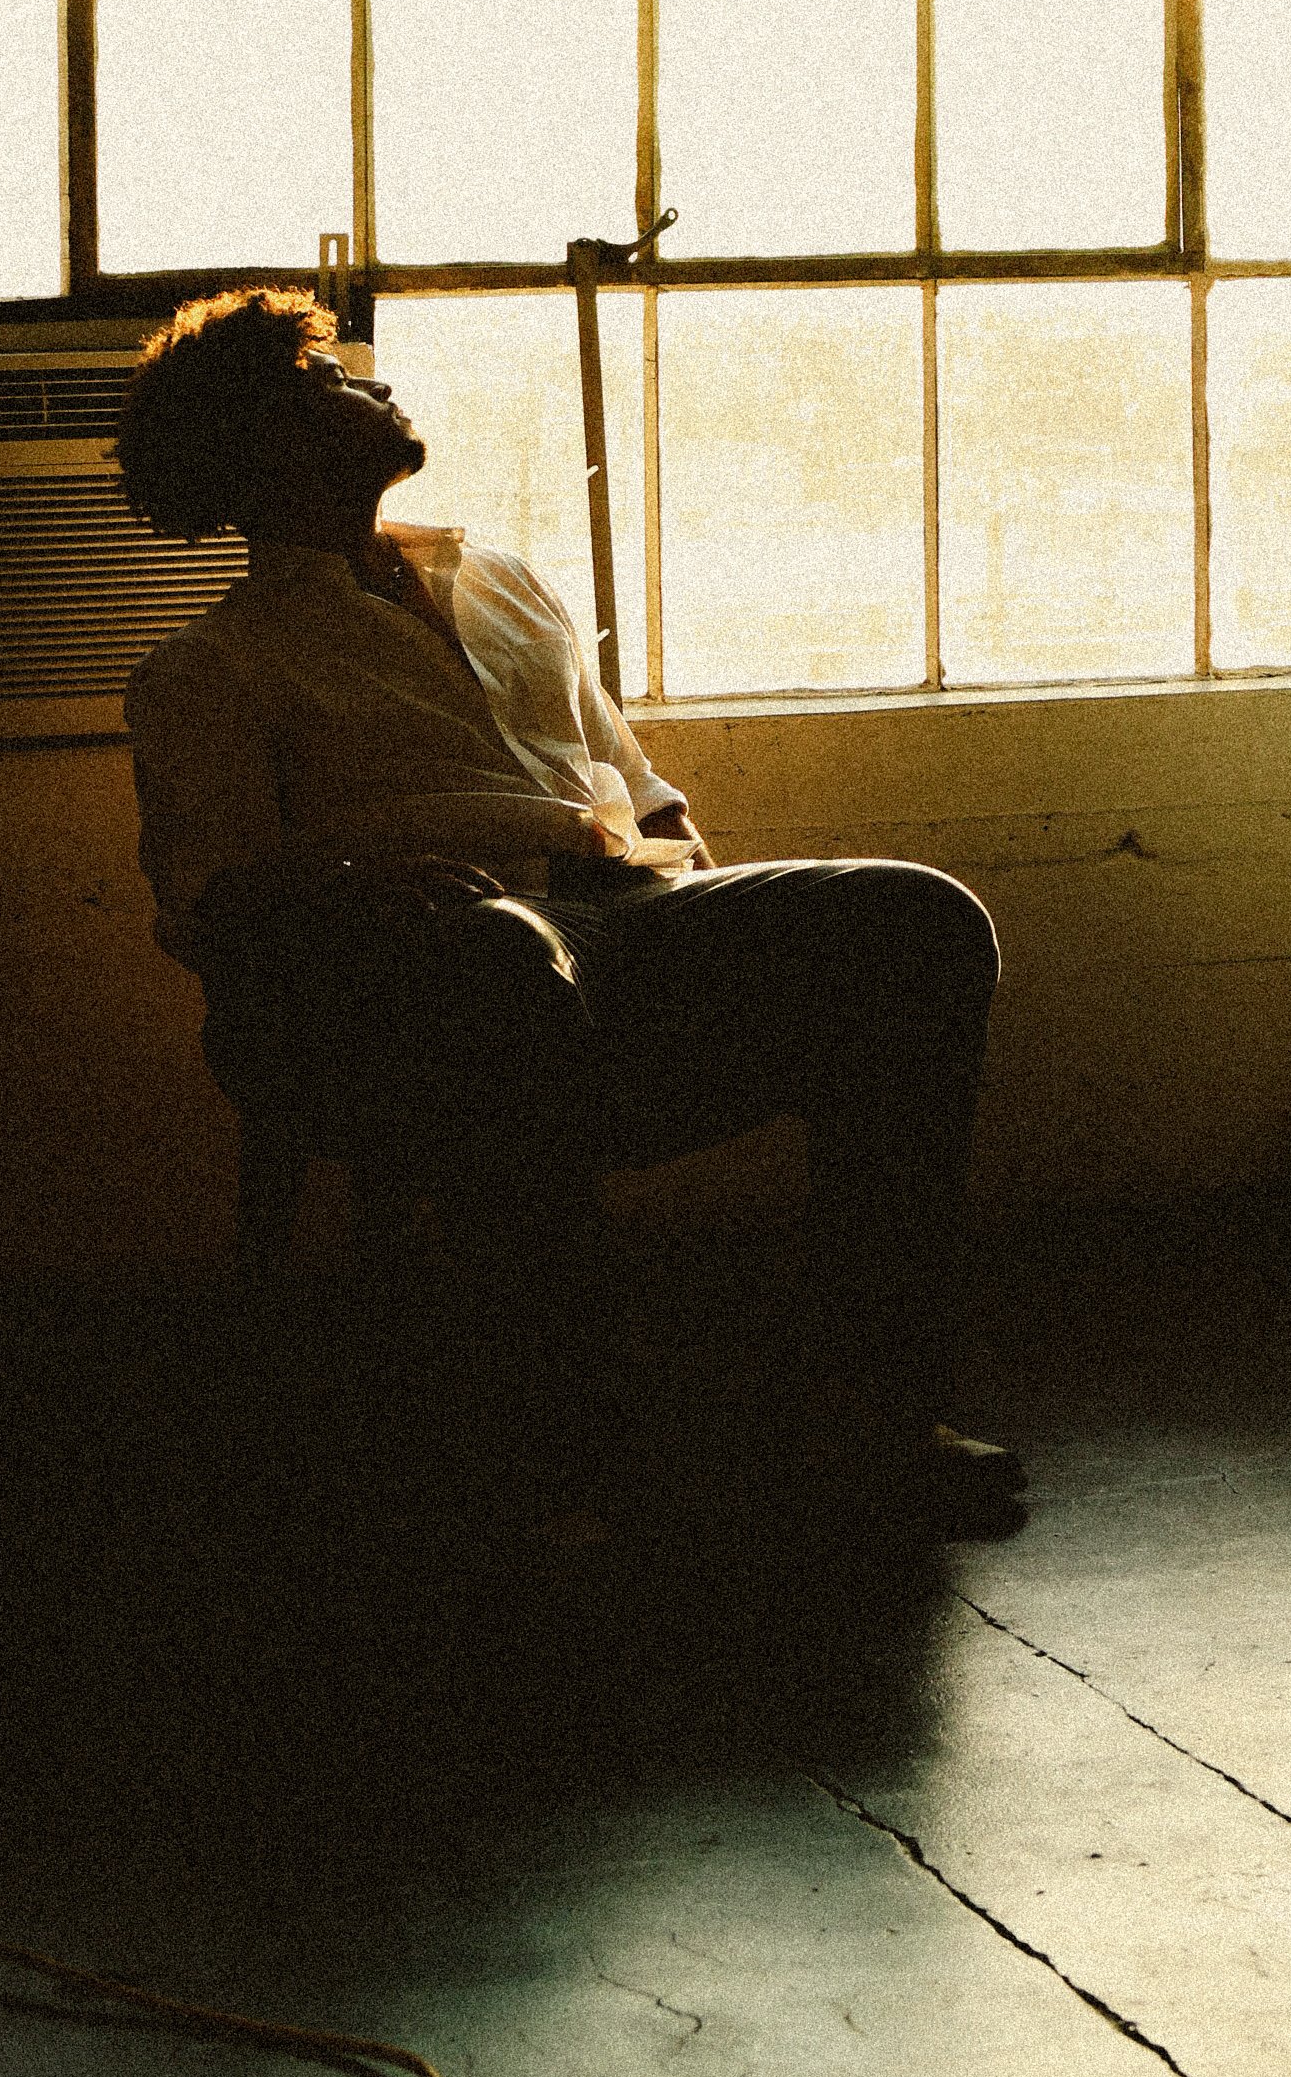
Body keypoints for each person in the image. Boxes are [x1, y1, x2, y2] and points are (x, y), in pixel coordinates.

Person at [118, 286, 1019, 1537]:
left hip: (621, 917)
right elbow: (205, 897)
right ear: (267, 442)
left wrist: (687, 883)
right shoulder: (209, 669)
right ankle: (563, 1429)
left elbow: (634, 790)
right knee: (500, 959)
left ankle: (859, 1402)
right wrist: (347, 887)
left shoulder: (503, 582)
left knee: (915, 915)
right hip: (415, 970)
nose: (373, 384)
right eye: (333, 380)